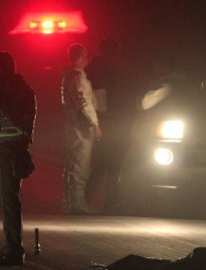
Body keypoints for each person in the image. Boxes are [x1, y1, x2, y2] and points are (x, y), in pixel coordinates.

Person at [0, 52, 36, 266]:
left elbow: (14, 117)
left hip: (7, 149)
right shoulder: (18, 88)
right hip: (3, 148)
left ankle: (13, 249)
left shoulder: (14, 89)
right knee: (6, 198)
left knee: (9, 201)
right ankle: (12, 247)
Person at [85, 38, 133, 212]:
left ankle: (104, 202)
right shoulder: (98, 71)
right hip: (106, 122)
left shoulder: (111, 70)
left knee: (110, 163)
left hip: (114, 122)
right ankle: (98, 201)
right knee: (105, 163)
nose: (114, 56)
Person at [61, 43, 102, 215]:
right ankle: (77, 203)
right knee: (81, 163)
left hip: (73, 124)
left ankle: (72, 201)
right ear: (80, 57)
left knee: (73, 163)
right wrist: (95, 124)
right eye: (85, 56)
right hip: (82, 126)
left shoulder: (68, 76)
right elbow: (84, 103)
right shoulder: (77, 77)